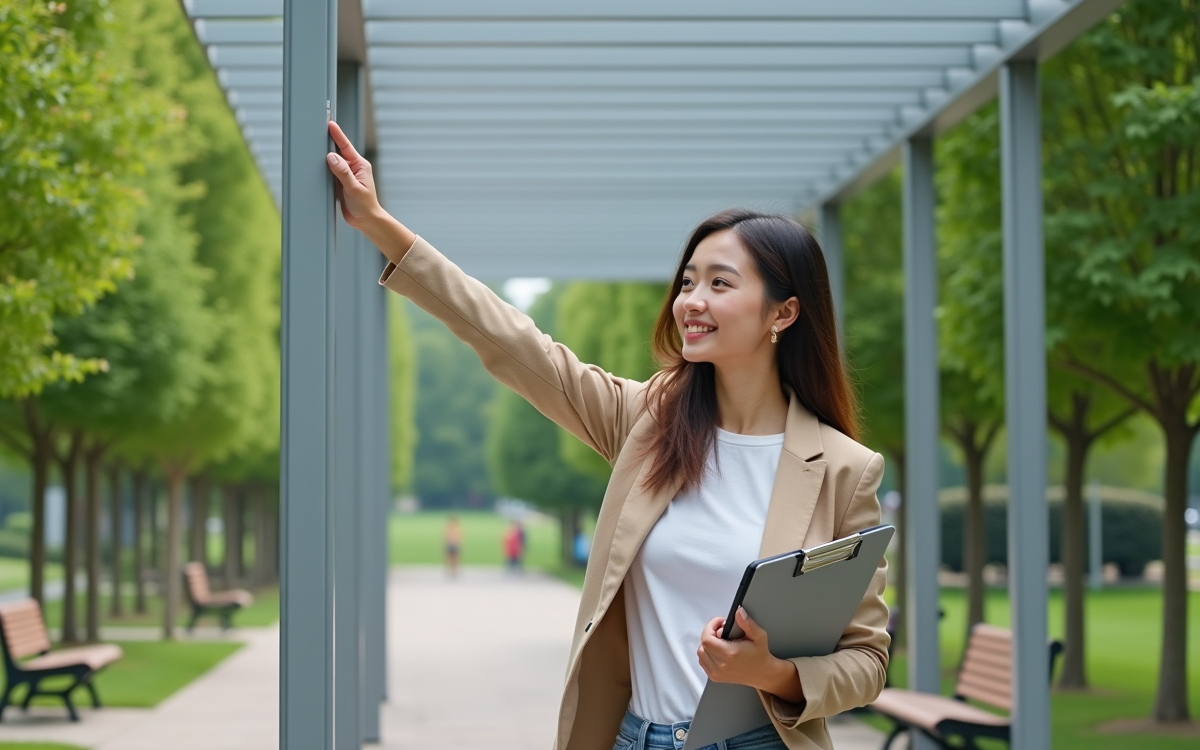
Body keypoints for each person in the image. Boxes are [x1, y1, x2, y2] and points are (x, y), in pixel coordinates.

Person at [326, 122, 888, 750]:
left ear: (783, 312)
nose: (690, 302)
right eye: (688, 280)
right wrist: (377, 222)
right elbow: (513, 343)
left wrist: (775, 674)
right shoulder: (646, 419)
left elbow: (867, 661)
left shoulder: (844, 469)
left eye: (720, 283)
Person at [444, 513, 463, 579]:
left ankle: (455, 570)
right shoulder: (448, 528)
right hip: (450, 544)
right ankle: (450, 569)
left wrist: (458, 543)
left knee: (455, 558)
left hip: (455, 544)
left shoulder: (457, 528)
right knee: (450, 557)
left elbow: (459, 537)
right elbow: (446, 537)